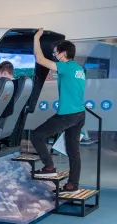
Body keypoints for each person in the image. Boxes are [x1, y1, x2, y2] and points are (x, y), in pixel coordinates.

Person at [31, 28, 85, 194]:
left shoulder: (66, 67)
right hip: (79, 114)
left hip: (67, 115)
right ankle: (72, 185)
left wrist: (36, 37)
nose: (54, 56)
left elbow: (39, 59)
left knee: (36, 136)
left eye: (55, 53)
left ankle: (49, 166)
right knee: (73, 151)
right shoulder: (78, 69)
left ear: (64, 53)